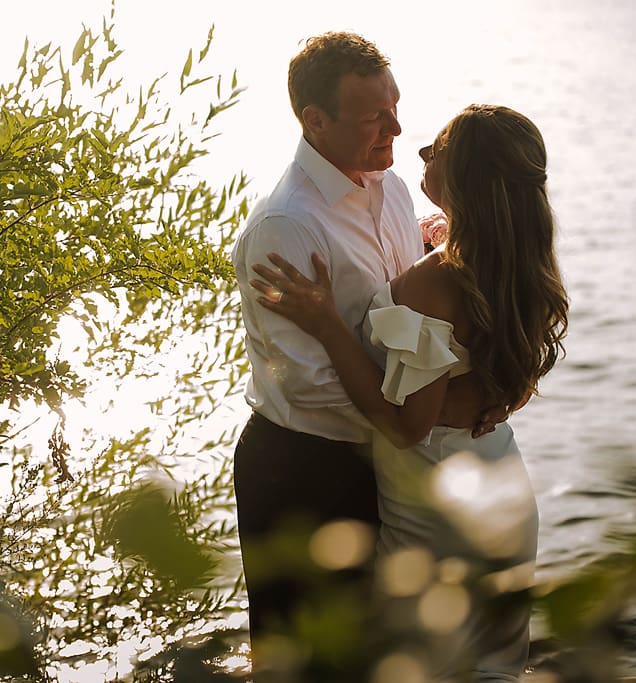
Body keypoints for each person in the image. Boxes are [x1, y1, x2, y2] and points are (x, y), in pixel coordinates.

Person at [250, 104, 569, 681]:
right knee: (493, 661)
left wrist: (326, 322)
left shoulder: (436, 281)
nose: (420, 152)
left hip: (437, 496)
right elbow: (513, 387)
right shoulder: (518, 263)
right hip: (499, 475)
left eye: (437, 149)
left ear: (464, 176)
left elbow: (406, 426)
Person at [230, 31, 426, 680]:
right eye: (375, 117)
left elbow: (410, 320)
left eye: (395, 107)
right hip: (304, 470)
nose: (396, 128)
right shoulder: (287, 225)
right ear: (315, 121)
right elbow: (308, 383)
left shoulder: (394, 190)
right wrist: (422, 414)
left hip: (385, 458)